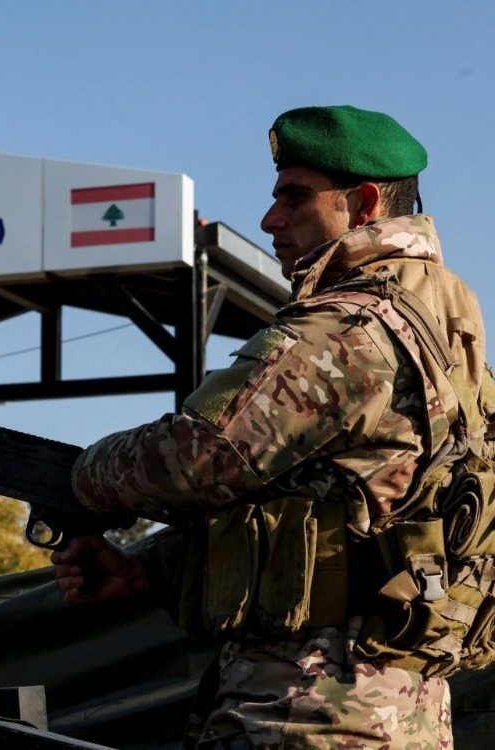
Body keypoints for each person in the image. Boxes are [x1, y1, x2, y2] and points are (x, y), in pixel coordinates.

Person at [52, 105, 490, 749]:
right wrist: (151, 570)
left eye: (295, 197)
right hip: (397, 709)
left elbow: (198, 455)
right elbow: (346, 507)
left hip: (309, 707)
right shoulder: (442, 316)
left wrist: (76, 475)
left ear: (364, 202)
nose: (270, 219)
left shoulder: (348, 327)